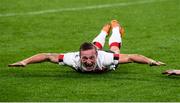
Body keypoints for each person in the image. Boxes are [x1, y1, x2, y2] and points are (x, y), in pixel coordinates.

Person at [8, 20, 165, 73]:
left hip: (106, 55)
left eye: (91, 58)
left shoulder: (104, 58)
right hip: (95, 49)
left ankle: (115, 27)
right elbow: (47, 55)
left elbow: (131, 57)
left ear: (97, 56)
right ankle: (104, 30)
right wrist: (25, 61)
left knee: (116, 49)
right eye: (85, 58)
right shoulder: (73, 59)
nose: (88, 61)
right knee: (93, 45)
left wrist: (150, 60)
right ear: (79, 56)